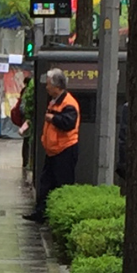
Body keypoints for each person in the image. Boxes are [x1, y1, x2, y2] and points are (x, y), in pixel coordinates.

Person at [22, 68, 80, 221]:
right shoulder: (55, 101)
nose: (46, 87)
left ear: (57, 86)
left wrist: (52, 118)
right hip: (53, 151)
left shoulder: (68, 103)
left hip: (65, 149)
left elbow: (69, 123)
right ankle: (40, 213)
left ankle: (62, 217)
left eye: (48, 84)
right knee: (46, 183)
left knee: (63, 184)